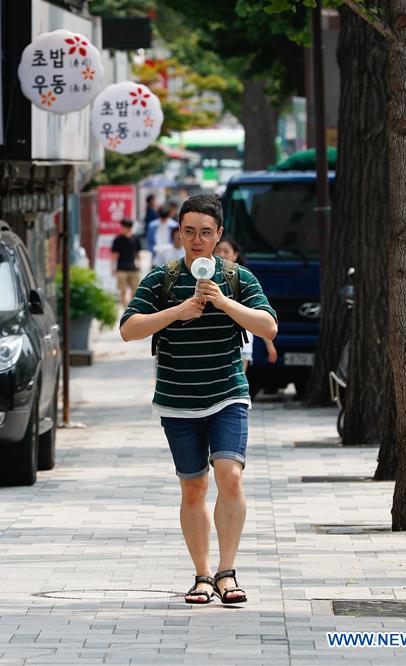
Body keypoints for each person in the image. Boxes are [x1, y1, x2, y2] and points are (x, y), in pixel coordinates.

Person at [119, 194, 278, 606]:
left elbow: (268, 327)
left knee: (231, 476)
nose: (197, 240)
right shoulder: (162, 279)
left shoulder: (237, 277)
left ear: (218, 234)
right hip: (177, 398)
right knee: (193, 487)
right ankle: (202, 576)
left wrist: (223, 302)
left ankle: (227, 572)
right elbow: (128, 329)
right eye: (189, 231)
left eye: (206, 232)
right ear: (179, 233)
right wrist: (176, 312)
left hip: (228, 394)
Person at [215, 238, 278, 371]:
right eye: (218, 250)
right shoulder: (207, 278)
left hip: (242, 341)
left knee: (238, 377)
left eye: (226, 251)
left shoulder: (244, 279)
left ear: (235, 255)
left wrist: (269, 344)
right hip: (216, 343)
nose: (221, 254)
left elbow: (260, 314)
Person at [111, 219, 141, 307]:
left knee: (135, 289)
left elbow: (137, 253)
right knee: (122, 290)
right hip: (121, 268)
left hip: (133, 268)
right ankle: (124, 307)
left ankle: (131, 306)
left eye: (123, 227)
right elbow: (114, 255)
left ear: (128, 228)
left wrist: (139, 263)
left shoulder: (135, 238)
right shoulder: (117, 239)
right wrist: (113, 268)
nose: (121, 228)